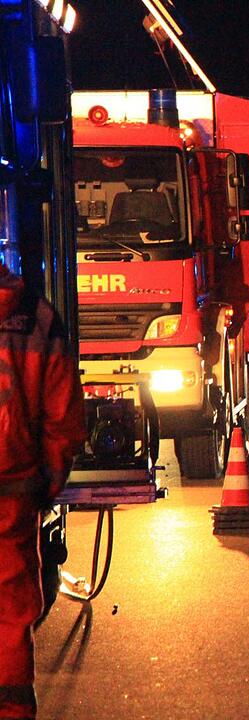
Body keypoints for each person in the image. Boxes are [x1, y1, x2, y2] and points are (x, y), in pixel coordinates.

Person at [0, 263, 85, 720]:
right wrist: (47, 484)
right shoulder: (37, 317)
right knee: (9, 617)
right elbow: (62, 415)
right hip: (12, 496)